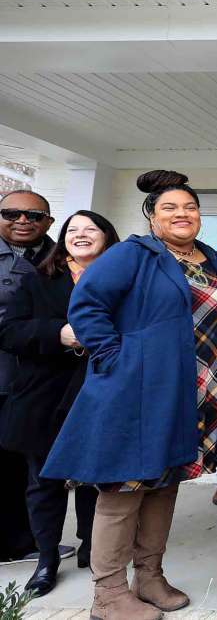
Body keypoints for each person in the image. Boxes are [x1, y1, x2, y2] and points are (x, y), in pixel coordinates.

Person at [43, 170, 217, 620]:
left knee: (164, 482)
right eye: (169, 208)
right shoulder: (132, 255)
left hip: (195, 389)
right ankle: (108, 594)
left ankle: (149, 577)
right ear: (151, 216)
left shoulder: (215, 260)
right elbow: (88, 305)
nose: (182, 214)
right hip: (138, 388)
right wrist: (116, 358)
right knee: (123, 488)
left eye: (190, 207)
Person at [0, 210, 119, 595]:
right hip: (44, 394)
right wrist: (58, 333)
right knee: (44, 479)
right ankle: (47, 558)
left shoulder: (124, 281)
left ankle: (90, 544)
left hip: (102, 389)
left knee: (95, 477)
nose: (80, 235)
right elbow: (10, 331)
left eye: (90, 229)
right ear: (63, 238)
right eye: (73, 230)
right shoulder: (38, 278)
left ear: (107, 237)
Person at [0, 190, 61, 565]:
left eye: (34, 216)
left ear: (48, 222)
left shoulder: (62, 257)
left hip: (46, 380)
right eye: (12, 213)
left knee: (35, 469)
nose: (23, 221)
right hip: (3, 376)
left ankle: (29, 541)